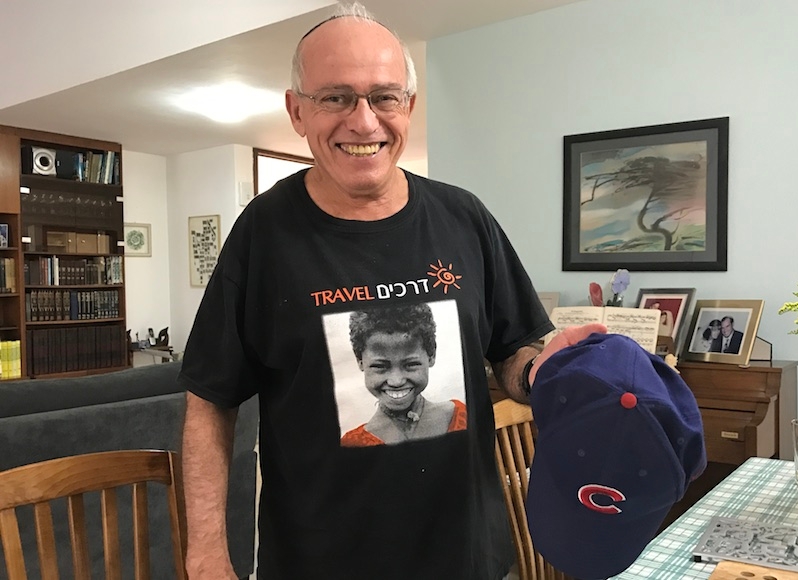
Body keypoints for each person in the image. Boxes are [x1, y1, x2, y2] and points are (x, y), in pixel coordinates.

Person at [178, 4, 601, 579]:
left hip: (467, 559)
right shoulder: (264, 231)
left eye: (384, 97)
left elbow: (512, 349)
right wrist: (205, 553)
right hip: (319, 562)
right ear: (296, 110)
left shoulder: (463, 216)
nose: (364, 121)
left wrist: (541, 372)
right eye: (335, 97)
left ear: (409, 108)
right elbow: (210, 398)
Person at [340, 303, 466, 446]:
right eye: (380, 366)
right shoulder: (351, 444)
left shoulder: (460, 416)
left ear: (431, 355)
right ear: (360, 361)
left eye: (411, 364)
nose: (396, 381)